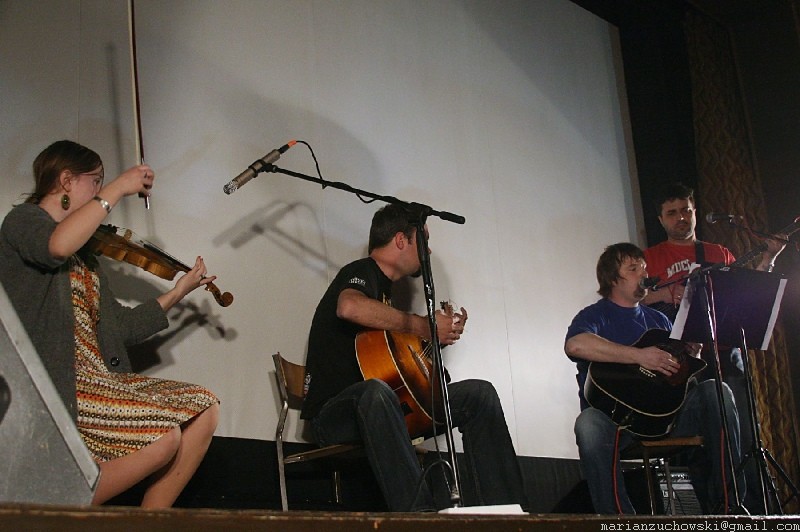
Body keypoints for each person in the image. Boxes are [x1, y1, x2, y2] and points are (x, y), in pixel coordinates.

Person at [0, 140, 219, 508]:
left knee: (204, 407)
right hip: (58, 383)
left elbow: (124, 326)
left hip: (98, 378)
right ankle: (58, 506)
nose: (99, 190)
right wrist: (118, 188)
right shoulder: (24, 221)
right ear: (66, 180)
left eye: (102, 182)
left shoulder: (85, 260)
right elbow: (55, 247)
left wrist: (179, 291)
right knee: (163, 437)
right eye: (95, 181)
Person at [300, 203, 527, 512]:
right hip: (334, 416)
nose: (428, 251)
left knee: (479, 394)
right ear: (400, 240)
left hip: (388, 409)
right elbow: (349, 307)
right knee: (376, 393)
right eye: (424, 241)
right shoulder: (361, 271)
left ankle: (508, 512)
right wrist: (423, 325)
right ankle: (420, 517)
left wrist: (434, 341)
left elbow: (392, 367)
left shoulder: (387, 296)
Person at [565, 242, 742, 514]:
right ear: (613, 279)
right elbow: (575, 345)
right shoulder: (594, 315)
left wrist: (689, 358)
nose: (644, 274)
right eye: (633, 269)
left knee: (716, 391)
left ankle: (728, 506)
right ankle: (620, 522)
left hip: (664, 419)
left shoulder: (660, 320)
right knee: (588, 424)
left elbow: (680, 380)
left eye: (644, 268)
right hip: (619, 424)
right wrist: (639, 356)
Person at [642, 182, 785, 512]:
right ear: (660, 219)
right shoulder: (649, 258)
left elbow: (748, 293)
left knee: (744, 433)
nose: (681, 218)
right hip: (683, 361)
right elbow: (632, 298)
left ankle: (747, 510)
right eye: (672, 213)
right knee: (702, 441)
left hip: (724, 351)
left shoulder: (719, 253)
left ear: (695, 212)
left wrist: (768, 258)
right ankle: (711, 509)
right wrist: (666, 294)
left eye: (686, 210)